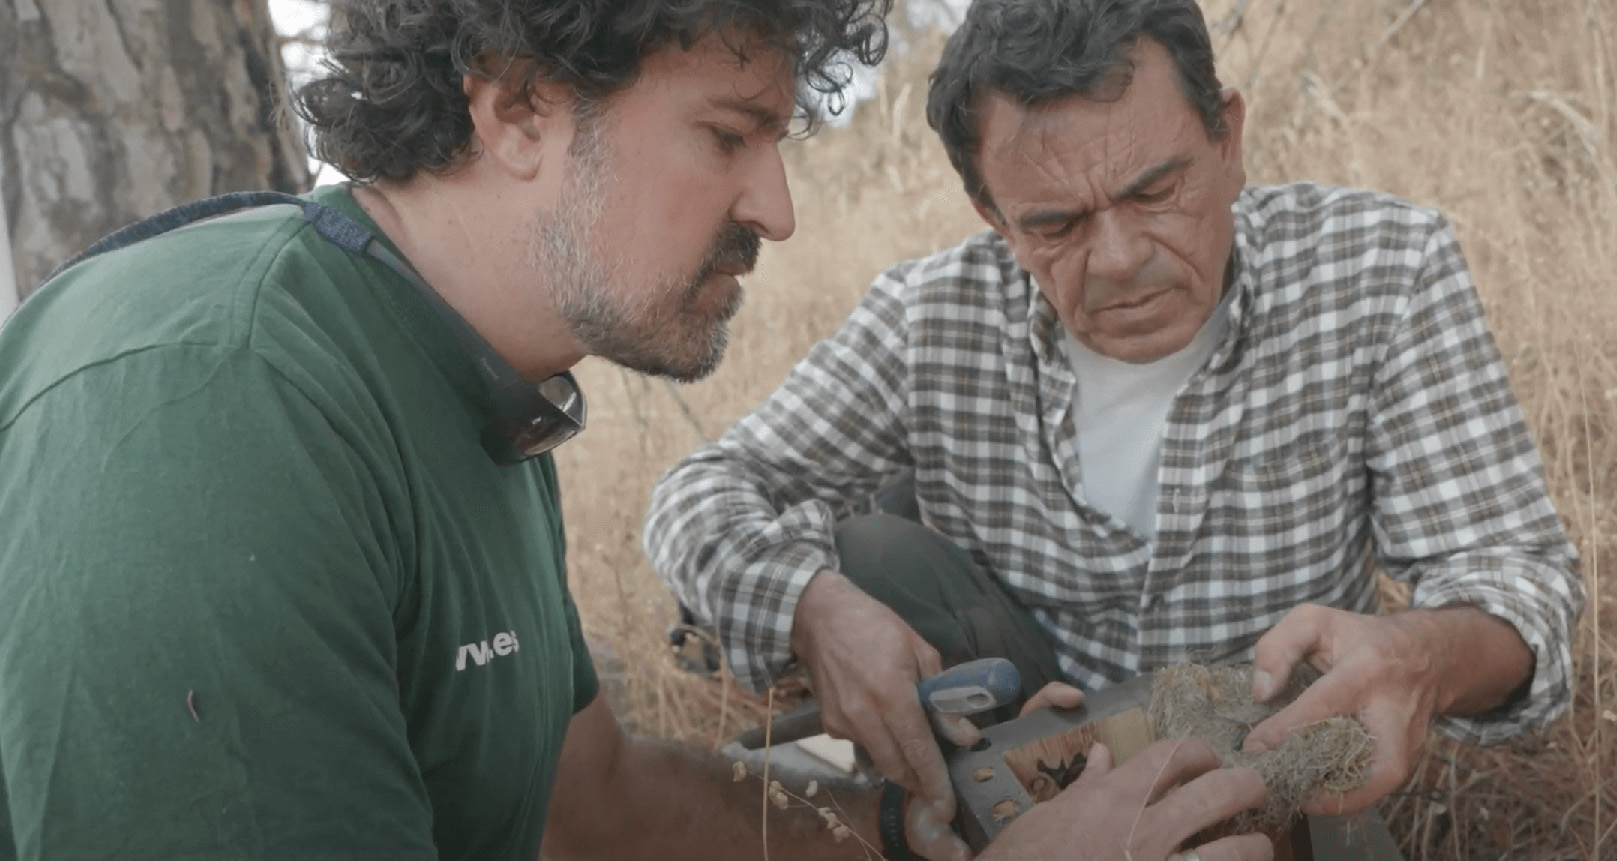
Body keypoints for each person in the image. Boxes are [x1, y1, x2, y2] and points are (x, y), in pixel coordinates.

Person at [0, 1, 1277, 860]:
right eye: (728, 136)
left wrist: (909, 831)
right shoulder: (214, 402)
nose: (777, 209)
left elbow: (593, 808)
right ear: (516, 109)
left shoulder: (479, 390)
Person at [644, 0, 1585, 848]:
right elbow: (700, 494)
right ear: (993, 217)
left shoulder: (1380, 273)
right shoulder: (929, 319)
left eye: (1154, 191)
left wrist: (1422, 656)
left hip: (1268, 770)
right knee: (865, 558)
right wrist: (813, 608)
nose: (1121, 259)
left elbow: (1515, 577)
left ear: (1227, 137)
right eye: (1056, 225)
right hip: (1025, 762)